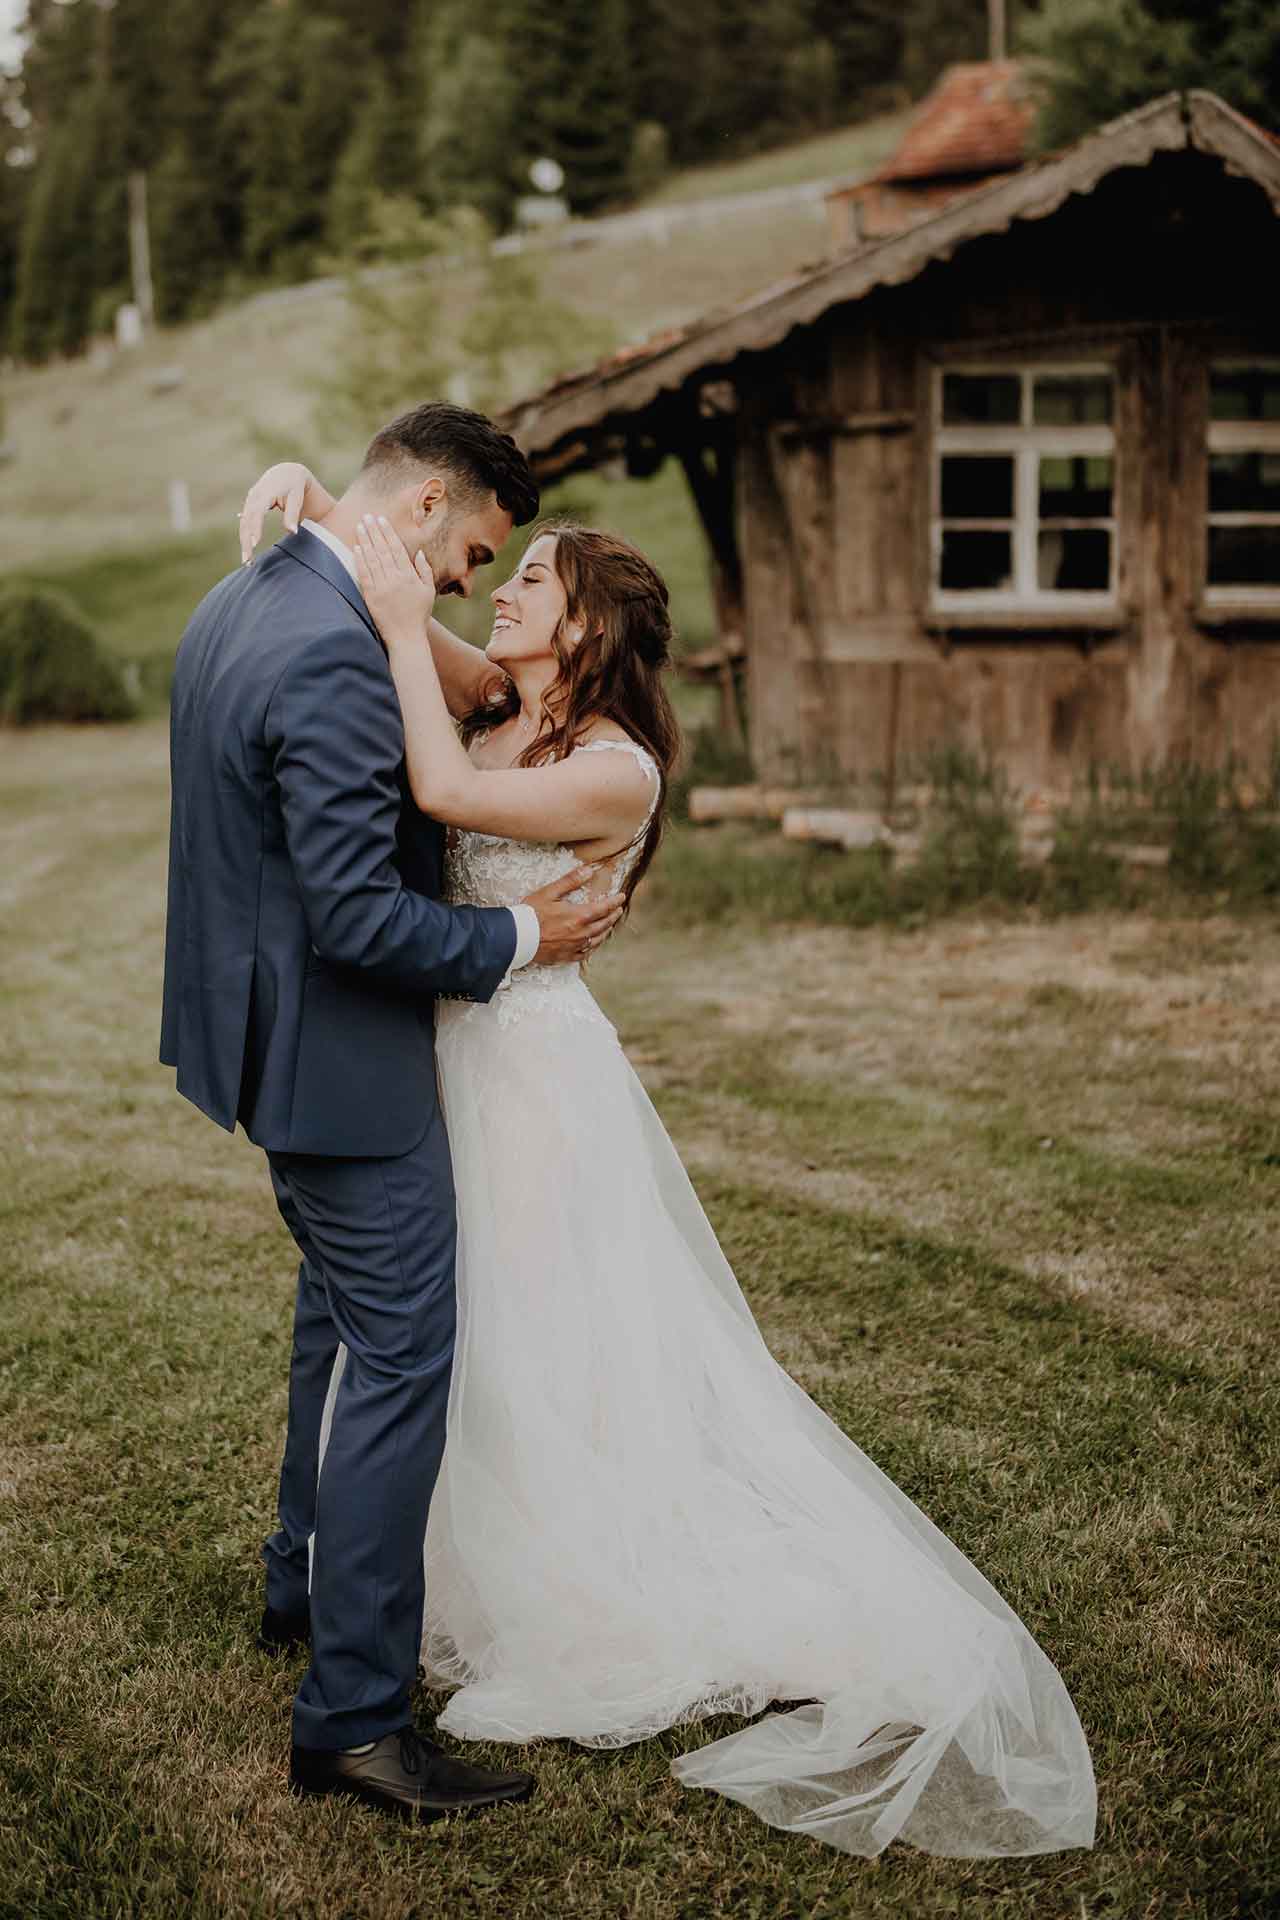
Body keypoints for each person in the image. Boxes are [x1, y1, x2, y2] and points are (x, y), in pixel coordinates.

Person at [235, 460, 1098, 1860]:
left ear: (580, 632)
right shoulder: (511, 696)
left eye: (530, 578)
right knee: (431, 1330)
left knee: (534, 1334)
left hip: (530, 1072)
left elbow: (440, 786)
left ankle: (528, 1573)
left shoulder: (611, 764)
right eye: (499, 571)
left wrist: (400, 630)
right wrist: (342, 502)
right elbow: (403, 588)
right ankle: (354, 1582)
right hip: (444, 1057)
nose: (499, 586)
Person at [161, 405, 626, 1825]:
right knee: (403, 1352)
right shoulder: (337, 655)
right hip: (345, 1068)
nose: (467, 586)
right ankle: (356, 1719)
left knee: (331, 1325)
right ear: (423, 507)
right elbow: (362, 916)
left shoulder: (245, 600)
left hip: (261, 1044)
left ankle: (301, 1574)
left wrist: (314, 510)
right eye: (471, 552)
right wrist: (515, 945)